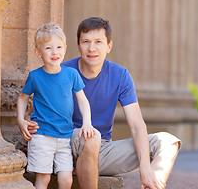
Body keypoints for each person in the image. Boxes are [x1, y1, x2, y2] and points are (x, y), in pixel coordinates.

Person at [29, 17, 181, 189]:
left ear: (109, 46)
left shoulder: (120, 75)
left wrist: (145, 168)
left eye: (98, 42)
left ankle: (150, 185)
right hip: (64, 145)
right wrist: (27, 121)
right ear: (78, 45)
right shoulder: (62, 72)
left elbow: (137, 125)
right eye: (86, 42)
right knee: (92, 136)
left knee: (168, 142)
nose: (92, 48)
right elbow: (39, 106)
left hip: (102, 149)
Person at [17, 23, 95, 189]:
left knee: (66, 180)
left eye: (59, 47)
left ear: (65, 49)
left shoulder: (71, 74)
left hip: (64, 136)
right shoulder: (35, 76)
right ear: (38, 52)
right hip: (42, 136)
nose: (55, 52)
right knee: (43, 180)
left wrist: (87, 122)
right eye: (48, 48)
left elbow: (82, 100)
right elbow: (23, 98)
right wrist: (20, 120)